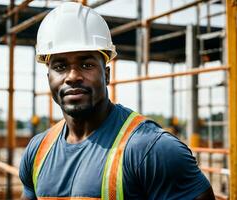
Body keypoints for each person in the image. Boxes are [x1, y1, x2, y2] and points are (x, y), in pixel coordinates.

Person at [19, 2, 215, 200]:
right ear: (48, 79)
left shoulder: (152, 150)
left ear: (106, 74)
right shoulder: (38, 152)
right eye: (60, 67)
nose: (72, 76)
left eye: (86, 64)